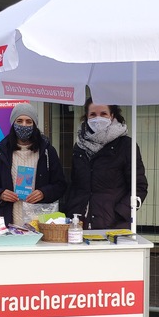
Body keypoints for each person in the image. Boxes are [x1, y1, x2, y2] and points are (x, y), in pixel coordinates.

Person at [65, 98, 148, 229]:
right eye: (93, 114)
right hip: (78, 224)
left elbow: (139, 187)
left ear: (112, 116)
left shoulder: (126, 145)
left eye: (103, 114)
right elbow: (75, 185)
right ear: (86, 117)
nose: (98, 118)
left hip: (113, 225)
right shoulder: (79, 146)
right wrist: (70, 211)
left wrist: (121, 213)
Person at [0, 103, 67, 226]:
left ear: (35, 124)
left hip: (40, 225)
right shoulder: (2, 152)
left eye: (29, 121)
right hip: (9, 224)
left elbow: (60, 185)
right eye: (19, 121)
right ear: (13, 124)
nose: (24, 125)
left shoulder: (47, 151)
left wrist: (44, 193)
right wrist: (0, 194)